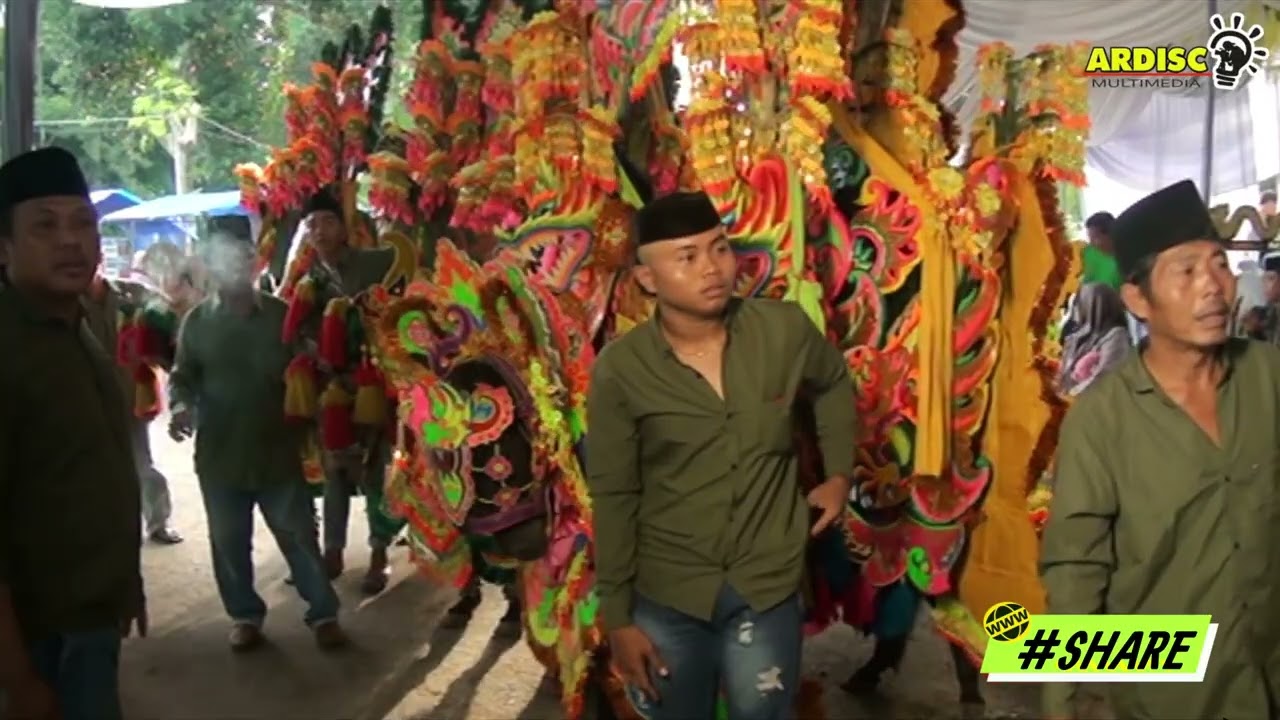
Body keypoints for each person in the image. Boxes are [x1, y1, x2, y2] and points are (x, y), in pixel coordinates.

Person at [585, 191, 857, 719]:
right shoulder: (621, 371)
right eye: (687, 257)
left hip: (767, 586)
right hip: (670, 594)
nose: (712, 268)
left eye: (720, 248)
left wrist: (839, 473)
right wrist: (618, 620)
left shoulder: (782, 331)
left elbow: (833, 383)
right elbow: (615, 496)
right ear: (647, 278)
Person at [1041, 179, 1280, 720]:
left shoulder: (1268, 377)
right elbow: (1075, 570)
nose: (1213, 286)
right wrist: (1063, 702)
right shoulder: (1102, 420)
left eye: (1219, 264)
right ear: (1137, 300)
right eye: (1187, 271)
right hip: (1170, 696)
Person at [0, 147, 146, 720]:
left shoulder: (78, 326)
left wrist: (125, 583)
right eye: (45, 226)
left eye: (82, 223)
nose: (70, 241)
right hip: (42, 637)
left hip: (92, 619)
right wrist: (19, 680)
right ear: (4, 248)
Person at [168, 233, 347, 652]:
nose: (233, 269)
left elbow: (310, 368)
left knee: (298, 536)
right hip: (220, 454)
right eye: (222, 262)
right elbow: (182, 376)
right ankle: (245, 616)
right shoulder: (197, 322)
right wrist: (179, 406)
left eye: (242, 260)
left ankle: (324, 614)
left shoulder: (282, 316)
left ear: (255, 265)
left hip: (276, 450)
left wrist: (319, 366)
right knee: (228, 542)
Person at [300, 189, 405, 595]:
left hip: (377, 381)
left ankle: (379, 552)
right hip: (333, 389)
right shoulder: (307, 278)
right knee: (335, 471)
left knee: (377, 470)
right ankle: (333, 549)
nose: (319, 231)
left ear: (346, 228)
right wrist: (317, 355)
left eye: (327, 221)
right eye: (311, 224)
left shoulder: (376, 262)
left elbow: (409, 291)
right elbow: (297, 330)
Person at [84, 272, 184, 545]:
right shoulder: (66, 302)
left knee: (143, 461)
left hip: (132, 394)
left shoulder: (131, 292)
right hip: (89, 399)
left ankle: (159, 522)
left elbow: (167, 312)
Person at [1056, 282, 1131, 396]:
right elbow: (1064, 373)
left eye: (1082, 303)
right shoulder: (1080, 335)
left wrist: (1073, 394)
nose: (1079, 309)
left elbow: (1105, 374)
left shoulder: (1117, 336)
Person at [1081, 212, 1122, 290]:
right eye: (1090, 237)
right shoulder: (1088, 252)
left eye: (1095, 238)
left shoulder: (1125, 260)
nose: (1091, 243)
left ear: (1110, 234)